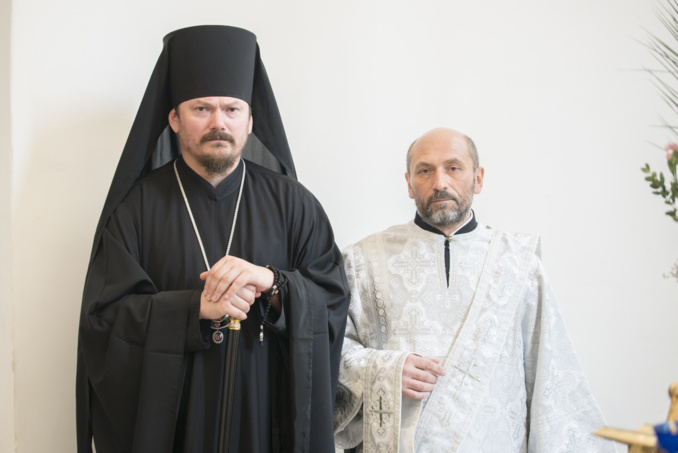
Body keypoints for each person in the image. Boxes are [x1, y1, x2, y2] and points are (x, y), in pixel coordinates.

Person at [76, 25, 350, 453]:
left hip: (267, 420)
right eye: (201, 108)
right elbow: (104, 320)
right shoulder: (135, 210)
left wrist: (274, 285)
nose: (218, 122)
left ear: (250, 121)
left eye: (232, 109)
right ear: (173, 118)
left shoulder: (295, 204)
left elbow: (331, 299)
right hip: (176, 424)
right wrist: (192, 309)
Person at [333, 128, 616, 452]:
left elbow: (549, 375)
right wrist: (386, 370)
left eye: (453, 168)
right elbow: (330, 346)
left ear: (478, 178)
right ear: (409, 184)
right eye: (425, 171)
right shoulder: (363, 259)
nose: (440, 183)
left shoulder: (520, 264)